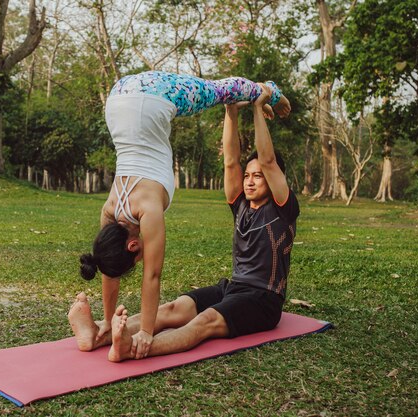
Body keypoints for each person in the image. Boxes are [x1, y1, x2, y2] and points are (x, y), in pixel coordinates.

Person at [69, 84, 299, 361]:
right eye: (248, 175)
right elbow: (230, 161)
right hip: (232, 287)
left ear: (274, 182)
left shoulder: (283, 208)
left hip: (263, 299)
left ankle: (129, 348)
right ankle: (97, 336)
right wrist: (230, 110)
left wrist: (257, 108)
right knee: (171, 310)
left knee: (202, 325)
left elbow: (269, 160)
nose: (249, 180)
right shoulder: (240, 203)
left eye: (257, 176)